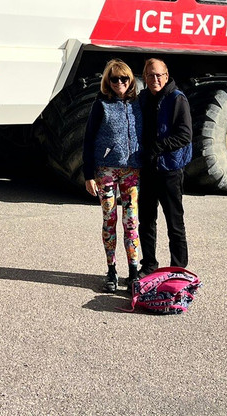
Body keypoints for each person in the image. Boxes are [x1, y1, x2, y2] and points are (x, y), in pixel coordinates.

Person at [82, 59, 143, 293]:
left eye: (124, 78)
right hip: (105, 170)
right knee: (109, 220)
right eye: (114, 79)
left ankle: (134, 271)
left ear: (130, 80)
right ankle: (111, 270)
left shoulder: (138, 104)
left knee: (131, 222)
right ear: (107, 81)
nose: (119, 83)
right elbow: (88, 139)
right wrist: (88, 175)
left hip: (131, 171)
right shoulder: (101, 105)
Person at [137, 58, 192, 273]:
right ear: (145, 77)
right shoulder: (143, 98)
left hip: (170, 170)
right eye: (150, 75)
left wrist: (158, 147)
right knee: (146, 222)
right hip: (148, 170)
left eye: (159, 75)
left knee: (174, 224)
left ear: (166, 76)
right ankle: (149, 266)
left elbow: (185, 135)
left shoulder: (177, 99)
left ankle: (177, 270)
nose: (155, 79)